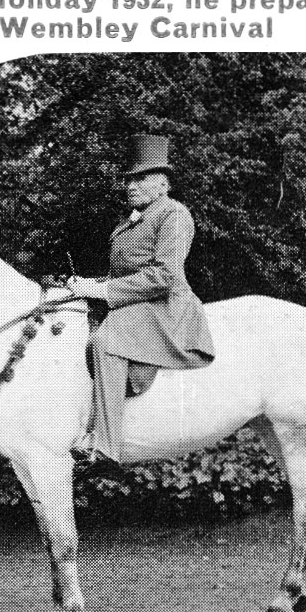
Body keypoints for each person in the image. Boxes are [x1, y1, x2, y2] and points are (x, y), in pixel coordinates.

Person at [68, 134, 215, 464]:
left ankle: (106, 449)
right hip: (137, 303)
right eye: (128, 179)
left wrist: (103, 291)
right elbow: (123, 278)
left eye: (140, 178)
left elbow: (165, 276)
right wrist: (85, 285)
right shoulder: (130, 223)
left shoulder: (173, 215)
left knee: (106, 340)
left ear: (162, 183)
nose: (130, 186)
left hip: (166, 307)